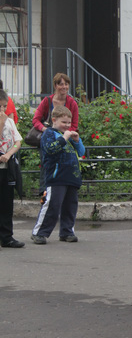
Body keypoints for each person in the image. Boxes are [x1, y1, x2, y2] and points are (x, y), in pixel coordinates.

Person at [30, 105, 85, 245]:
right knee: (52, 205)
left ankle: (67, 231)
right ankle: (40, 232)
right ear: (54, 120)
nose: (67, 126)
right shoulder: (49, 133)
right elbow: (50, 149)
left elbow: (82, 152)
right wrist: (64, 138)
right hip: (56, 177)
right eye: (63, 122)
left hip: (71, 177)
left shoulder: (69, 136)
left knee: (70, 206)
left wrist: (77, 141)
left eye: (68, 123)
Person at [32, 73, 79, 198]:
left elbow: (74, 123)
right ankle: (44, 190)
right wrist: (46, 130)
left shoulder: (72, 103)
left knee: (64, 162)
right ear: (55, 85)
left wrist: (67, 133)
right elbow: (36, 119)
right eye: (61, 84)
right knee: (46, 162)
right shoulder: (47, 101)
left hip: (65, 138)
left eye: (66, 84)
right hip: (49, 137)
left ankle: (63, 189)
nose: (64, 87)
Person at [0, 89, 25, 248]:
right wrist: (1, 123)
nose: (2, 110)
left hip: (6, 167)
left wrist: (9, 154)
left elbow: (18, 141)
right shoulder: (4, 122)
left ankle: (6, 236)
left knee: (6, 203)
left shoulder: (9, 122)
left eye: (4, 106)